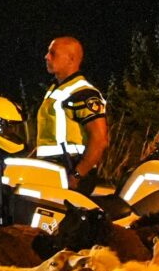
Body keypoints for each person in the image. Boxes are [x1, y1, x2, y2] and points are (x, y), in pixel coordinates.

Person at [32, 35, 111, 185]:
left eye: (53, 53)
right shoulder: (55, 89)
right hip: (53, 171)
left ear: (71, 58)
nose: (46, 57)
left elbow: (100, 140)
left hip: (69, 172)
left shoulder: (84, 93)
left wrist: (76, 175)